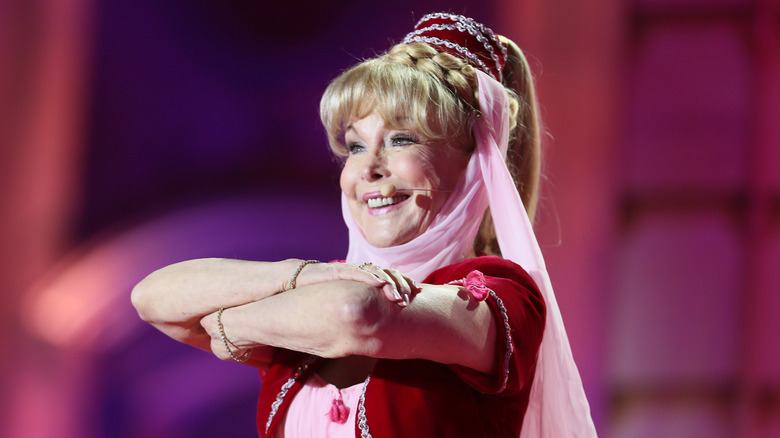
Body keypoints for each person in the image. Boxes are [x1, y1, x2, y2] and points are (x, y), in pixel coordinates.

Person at [131, 12, 596, 437]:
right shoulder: (324, 285)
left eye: (400, 139)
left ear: (474, 162)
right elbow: (151, 298)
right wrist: (308, 274)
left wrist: (223, 322)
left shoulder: (503, 296)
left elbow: (359, 317)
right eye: (354, 147)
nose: (368, 168)